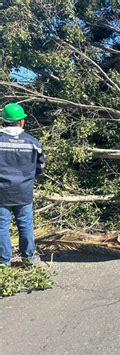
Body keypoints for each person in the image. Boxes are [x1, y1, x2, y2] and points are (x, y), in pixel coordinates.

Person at [0, 103, 44, 266]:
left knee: (1, 228)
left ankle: (3, 263)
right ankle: (29, 259)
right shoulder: (33, 142)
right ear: (21, 122)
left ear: (4, 121)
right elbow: (40, 168)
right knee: (25, 225)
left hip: (1, 193)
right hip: (24, 192)